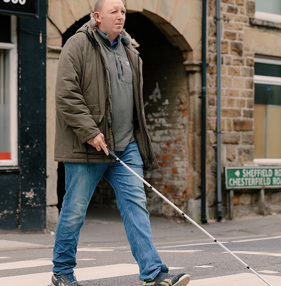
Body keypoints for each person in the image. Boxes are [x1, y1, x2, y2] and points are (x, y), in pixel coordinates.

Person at [52, 0, 190, 285]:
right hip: (87, 146)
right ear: (97, 16)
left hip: (125, 146)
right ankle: (62, 272)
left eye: (123, 11)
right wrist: (90, 131)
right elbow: (66, 94)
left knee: (135, 205)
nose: (120, 16)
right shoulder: (77, 45)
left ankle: (153, 272)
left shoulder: (131, 51)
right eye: (114, 11)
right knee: (75, 210)